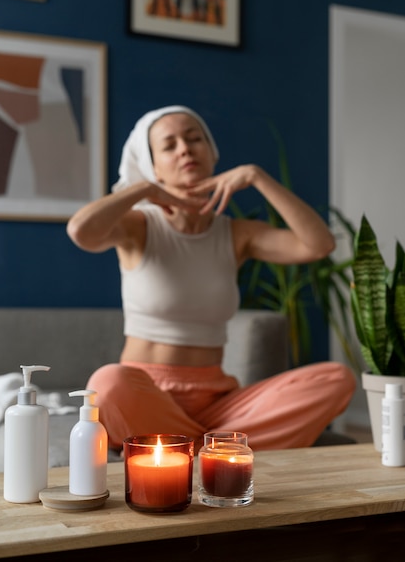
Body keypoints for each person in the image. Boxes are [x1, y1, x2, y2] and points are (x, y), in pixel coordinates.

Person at [66, 105, 356, 453]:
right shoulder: (138, 227)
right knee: (107, 383)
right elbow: (80, 230)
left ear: (211, 153)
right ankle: (222, 450)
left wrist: (255, 176)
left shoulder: (237, 235)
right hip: (145, 394)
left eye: (193, 139)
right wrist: (143, 190)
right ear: (151, 164)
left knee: (335, 379)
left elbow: (319, 244)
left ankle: (185, 449)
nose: (185, 149)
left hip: (219, 402)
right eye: (169, 145)